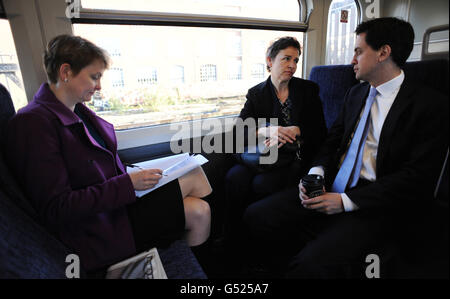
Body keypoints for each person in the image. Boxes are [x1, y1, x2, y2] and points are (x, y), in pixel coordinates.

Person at [243, 17, 448, 278]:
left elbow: (415, 178)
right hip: (332, 184)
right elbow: (332, 141)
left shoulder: (430, 106)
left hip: (376, 201)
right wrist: (316, 173)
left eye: (359, 52)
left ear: (383, 53)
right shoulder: (357, 94)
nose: (352, 60)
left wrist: (345, 202)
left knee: (310, 265)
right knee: (257, 216)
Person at [3, 34, 212, 274]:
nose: (99, 86)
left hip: (113, 207)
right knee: (197, 196)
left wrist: (130, 178)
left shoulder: (77, 111)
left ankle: (205, 264)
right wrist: (126, 184)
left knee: (198, 208)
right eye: (94, 77)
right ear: (66, 72)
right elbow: (57, 208)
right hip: (95, 228)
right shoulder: (33, 124)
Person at [223, 37, 326, 252]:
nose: (292, 65)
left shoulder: (308, 90)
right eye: (286, 58)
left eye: (296, 60)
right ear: (270, 61)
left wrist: (297, 130)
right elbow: (238, 131)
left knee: (262, 184)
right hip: (263, 155)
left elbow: (321, 130)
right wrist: (264, 129)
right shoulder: (257, 93)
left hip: (294, 158)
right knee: (234, 177)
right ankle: (233, 238)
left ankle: (262, 243)